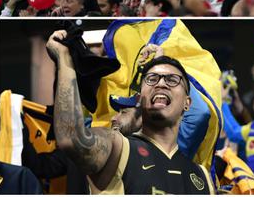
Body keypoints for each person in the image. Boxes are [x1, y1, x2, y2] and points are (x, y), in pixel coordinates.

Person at [47, 30, 214, 194]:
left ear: (187, 103)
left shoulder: (202, 177)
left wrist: (161, 60)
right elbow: (72, 138)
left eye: (171, 80)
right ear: (140, 98)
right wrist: (65, 60)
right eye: (152, 79)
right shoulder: (117, 147)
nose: (161, 83)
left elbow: (202, 114)